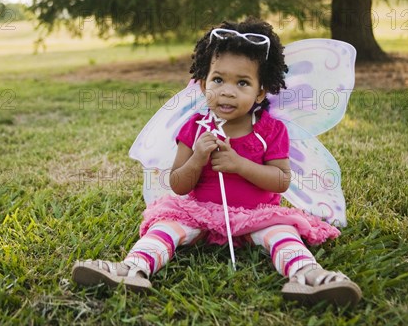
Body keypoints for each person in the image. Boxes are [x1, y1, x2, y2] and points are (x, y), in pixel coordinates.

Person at [72, 18, 362, 306]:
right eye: (218, 79)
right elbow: (178, 185)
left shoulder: (271, 131)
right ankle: (133, 268)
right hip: (197, 211)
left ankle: (308, 276)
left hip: (256, 213)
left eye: (243, 83)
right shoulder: (194, 127)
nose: (227, 90)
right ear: (202, 83)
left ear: (261, 91)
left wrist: (240, 165)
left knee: (283, 235)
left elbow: (281, 179)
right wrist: (197, 158)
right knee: (165, 228)